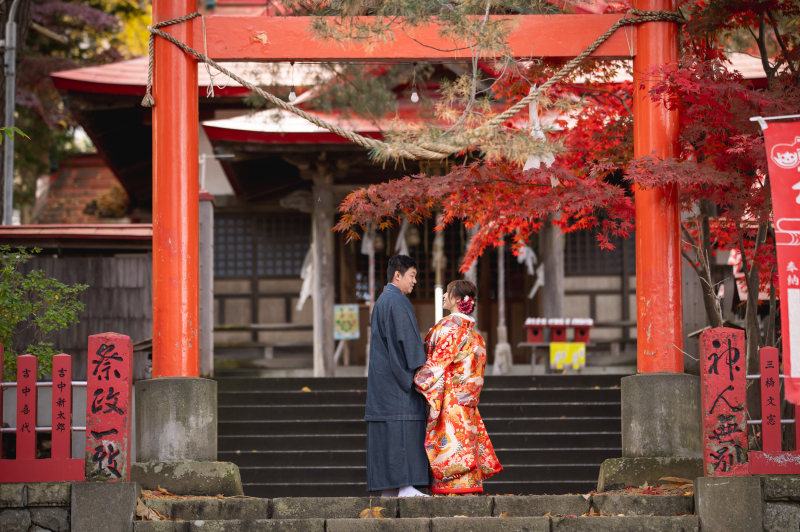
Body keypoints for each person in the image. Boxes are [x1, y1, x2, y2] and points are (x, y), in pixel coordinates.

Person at [414, 280, 503, 494]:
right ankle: (470, 484)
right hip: (468, 401)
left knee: (450, 441)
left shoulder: (447, 328)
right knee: (467, 440)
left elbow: (435, 366)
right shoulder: (477, 338)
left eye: (447, 293)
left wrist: (418, 381)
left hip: (450, 399)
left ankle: (452, 486)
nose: (444, 295)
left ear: (456, 300)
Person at [365, 255, 430, 498]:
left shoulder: (382, 301)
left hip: (383, 383)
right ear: (398, 275)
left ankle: (392, 490)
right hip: (398, 385)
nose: (414, 282)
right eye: (412, 276)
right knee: (402, 430)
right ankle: (405, 486)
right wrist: (424, 370)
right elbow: (409, 345)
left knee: (388, 434)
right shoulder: (399, 302)